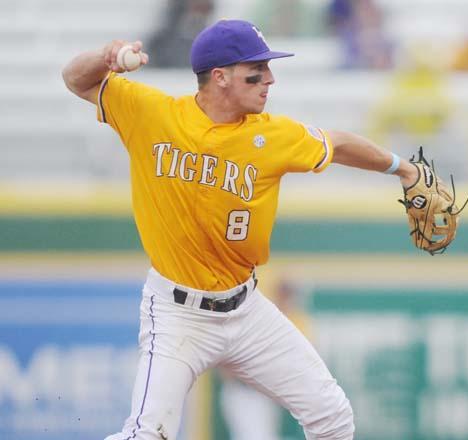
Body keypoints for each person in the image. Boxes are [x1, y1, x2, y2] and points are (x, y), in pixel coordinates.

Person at [61, 19, 419, 440]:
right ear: (220, 77)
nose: (269, 79)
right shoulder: (151, 113)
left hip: (247, 310)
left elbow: (337, 144)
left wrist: (404, 169)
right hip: (177, 314)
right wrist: (105, 57)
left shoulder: (273, 135)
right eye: (256, 71)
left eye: (267, 69)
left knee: (332, 417)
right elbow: (75, 79)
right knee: (147, 433)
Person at [218, 278, 311, 440]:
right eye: (284, 293)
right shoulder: (260, 316)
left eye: (289, 294)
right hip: (243, 392)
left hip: (265, 395)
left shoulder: (295, 321)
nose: (286, 298)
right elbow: (225, 357)